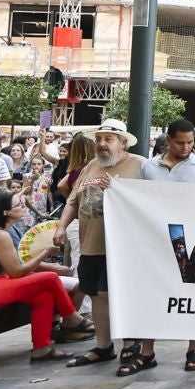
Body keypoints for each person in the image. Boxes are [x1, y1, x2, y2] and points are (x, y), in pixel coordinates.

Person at [0, 189, 89, 362]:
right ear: (6, 212)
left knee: (44, 295)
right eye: (18, 204)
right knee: (49, 278)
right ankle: (71, 317)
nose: (23, 205)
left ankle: (42, 349)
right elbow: (16, 271)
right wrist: (45, 252)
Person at [54, 121, 146, 370]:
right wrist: (61, 226)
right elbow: (72, 201)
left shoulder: (140, 165)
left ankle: (130, 342)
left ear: (123, 143)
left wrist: (119, 190)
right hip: (90, 243)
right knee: (95, 294)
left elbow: (152, 201)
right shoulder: (90, 167)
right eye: (100, 139)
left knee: (118, 293)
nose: (103, 144)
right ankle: (103, 346)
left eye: (109, 139)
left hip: (124, 245)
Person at [135, 120, 195, 372]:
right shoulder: (148, 167)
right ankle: (147, 350)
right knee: (152, 293)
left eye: (190, 142)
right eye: (180, 142)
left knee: (191, 293)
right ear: (168, 140)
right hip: (156, 240)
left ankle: (193, 347)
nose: (186, 147)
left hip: (193, 240)